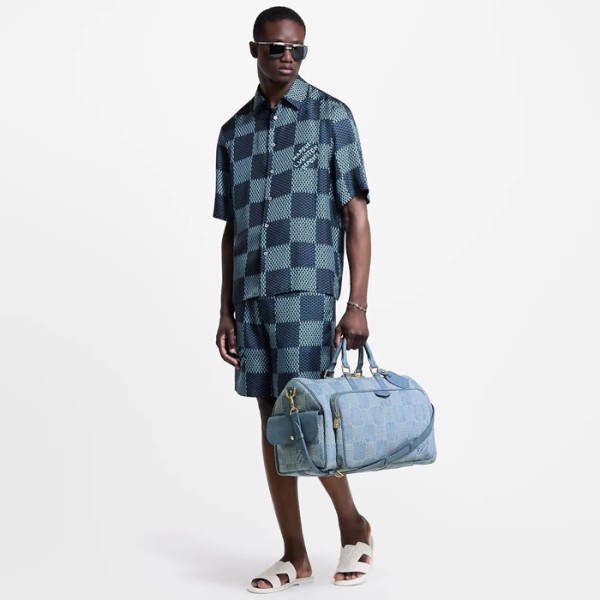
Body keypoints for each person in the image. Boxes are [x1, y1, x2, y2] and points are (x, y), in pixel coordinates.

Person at [214, 6, 373, 593]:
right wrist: (225, 309)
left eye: (297, 50)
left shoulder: (332, 116)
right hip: (252, 295)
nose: (287, 58)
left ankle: (354, 526)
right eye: (277, 48)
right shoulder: (233, 133)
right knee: (270, 424)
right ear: (254, 49)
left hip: (307, 292)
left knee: (306, 417)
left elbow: (356, 215)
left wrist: (356, 304)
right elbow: (231, 229)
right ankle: (295, 554)